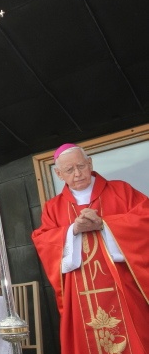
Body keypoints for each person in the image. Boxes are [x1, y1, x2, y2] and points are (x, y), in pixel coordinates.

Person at [32, 144, 149, 352]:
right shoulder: (53, 207)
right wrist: (72, 231)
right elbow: (43, 240)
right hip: (80, 291)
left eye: (81, 166)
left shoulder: (121, 190)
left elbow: (144, 219)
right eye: (69, 170)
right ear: (59, 174)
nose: (77, 174)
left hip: (124, 284)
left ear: (90, 163)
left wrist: (106, 225)